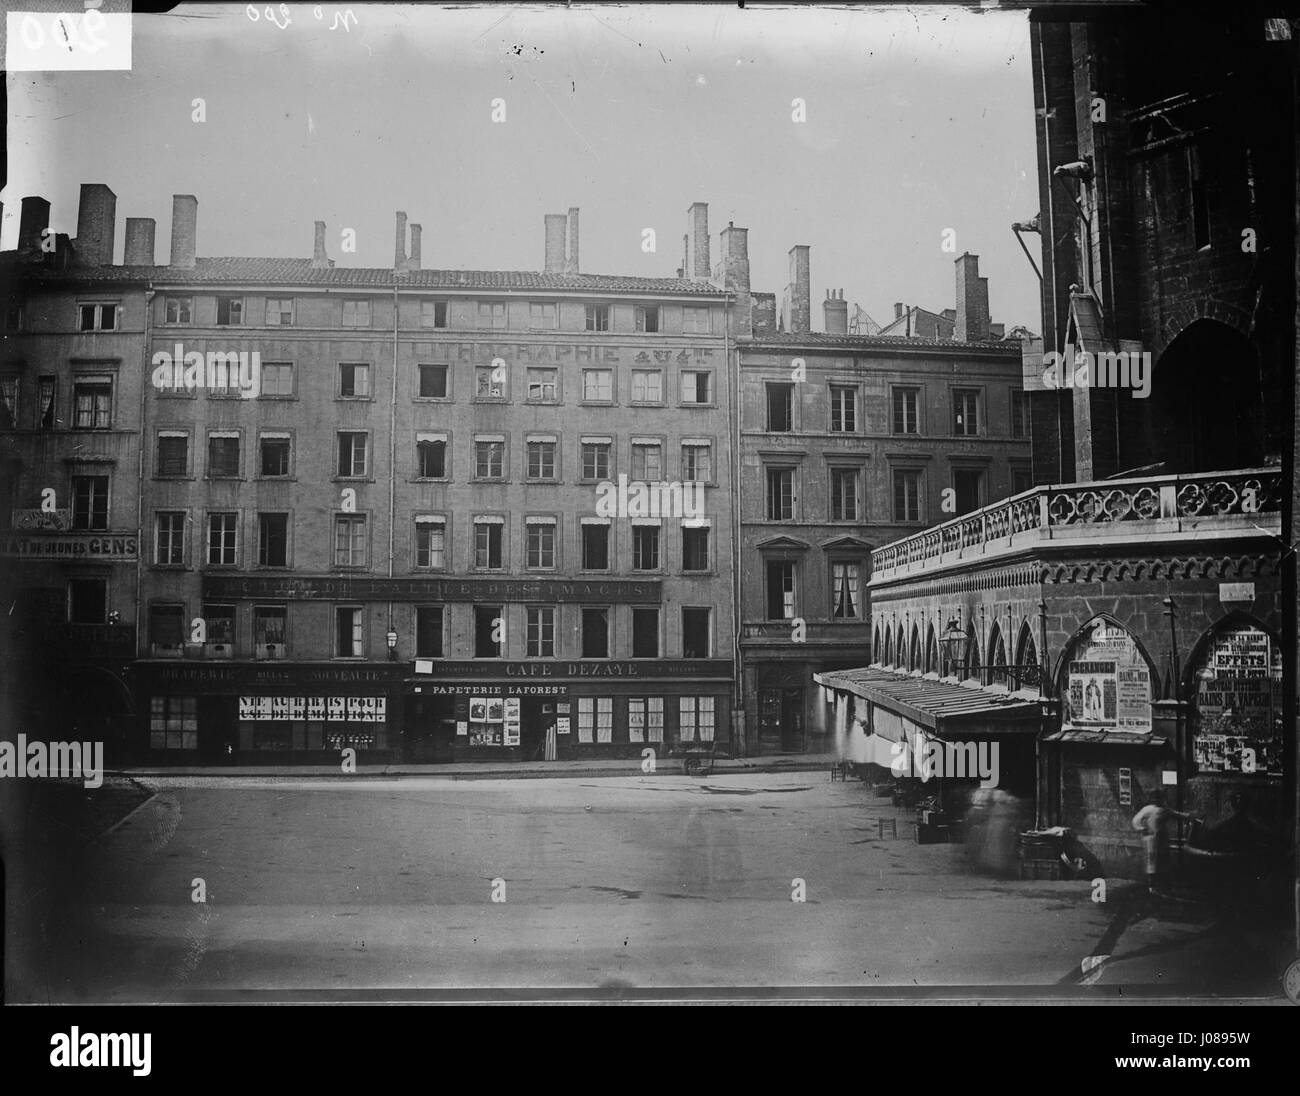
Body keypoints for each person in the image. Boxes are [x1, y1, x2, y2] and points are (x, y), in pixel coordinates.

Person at [1131, 791, 1194, 892]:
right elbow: (1135, 820)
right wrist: (1142, 828)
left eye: (1160, 798)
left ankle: (1162, 884)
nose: (1158, 800)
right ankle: (1151, 885)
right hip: (1151, 839)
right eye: (1157, 798)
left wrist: (1189, 816)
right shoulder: (1148, 809)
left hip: (1161, 839)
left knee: (1162, 861)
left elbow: (1177, 814)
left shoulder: (1164, 810)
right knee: (1152, 862)